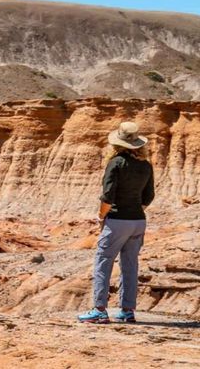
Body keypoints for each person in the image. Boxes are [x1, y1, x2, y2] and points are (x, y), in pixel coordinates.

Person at [78, 121, 154, 324]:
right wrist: (133, 210)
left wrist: (101, 217)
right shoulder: (146, 166)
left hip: (117, 221)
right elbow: (148, 197)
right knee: (130, 264)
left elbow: (107, 197)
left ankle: (99, 310)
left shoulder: (116, 163)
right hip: (138, 221)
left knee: (104, 261)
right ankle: (127, 311)